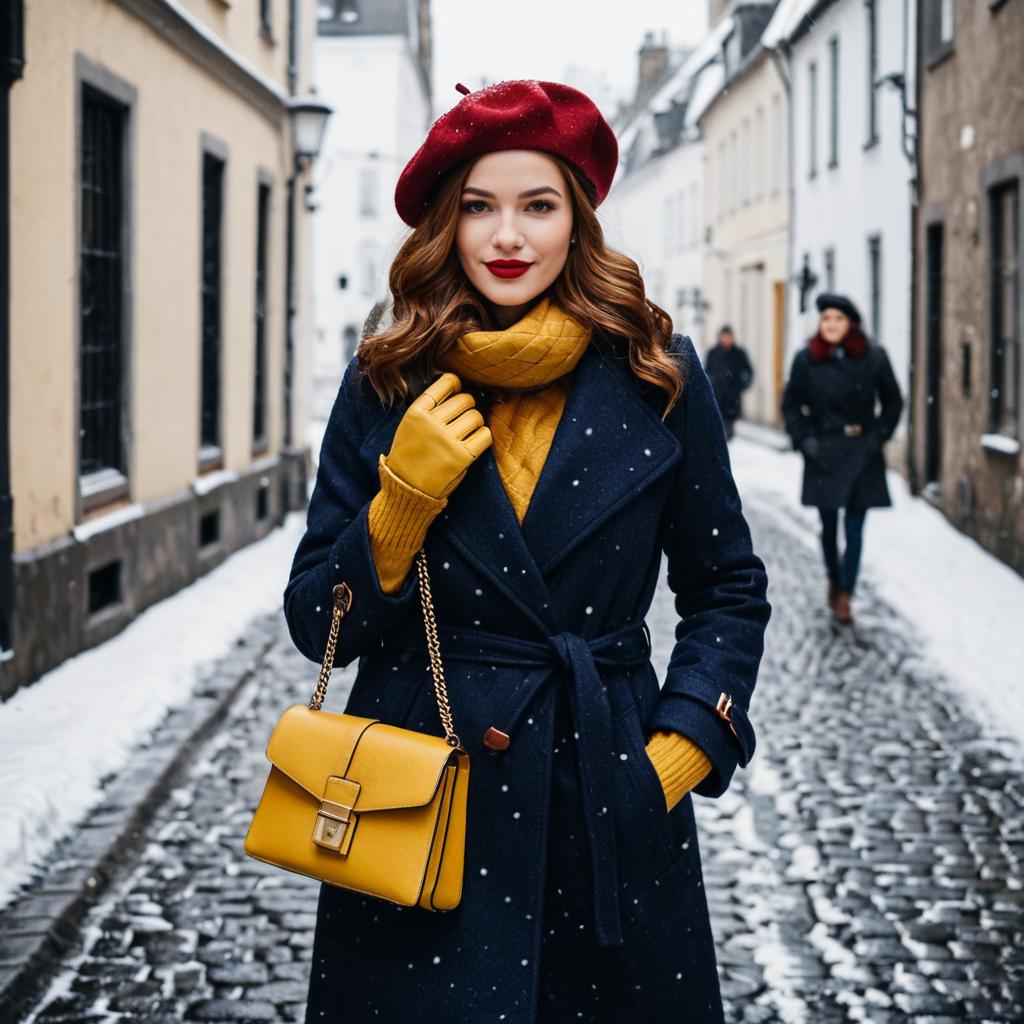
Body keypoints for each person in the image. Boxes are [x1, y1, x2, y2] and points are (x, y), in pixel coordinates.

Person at [284, 80, 770, 1023]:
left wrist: (671, 756)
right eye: (478, 207)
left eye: (537, 206)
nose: (508, 236)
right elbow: (317, 624)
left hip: (605, 792)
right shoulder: (386, 380)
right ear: (446, 225)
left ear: (576, 221)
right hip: (419, 801)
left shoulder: (658, 376)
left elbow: (727, 586)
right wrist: (402, 501)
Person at [781, 293, 903, 624]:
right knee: (829, 528)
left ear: (850, 323)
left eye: (838, 319)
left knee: (856, 529)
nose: (831, 325)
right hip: (824, 452)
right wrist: (805, 440)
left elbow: (893, 402)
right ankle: (834, 577)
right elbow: (791, 404)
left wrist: (878, 436)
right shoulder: (807, 359)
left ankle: (846, 592)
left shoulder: (873, 356)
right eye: (826, 319)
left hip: (863, 451)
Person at [704, 325, 754, 439]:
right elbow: (705, 373)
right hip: (716, 399)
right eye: (724, 337)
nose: (726, 339)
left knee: (728, 434)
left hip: (732, 400)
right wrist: (712, 385)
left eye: (729, 337)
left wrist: (741, 385)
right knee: (717, 433)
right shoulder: (712, 353)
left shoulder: (739, 354)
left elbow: (748, 373)